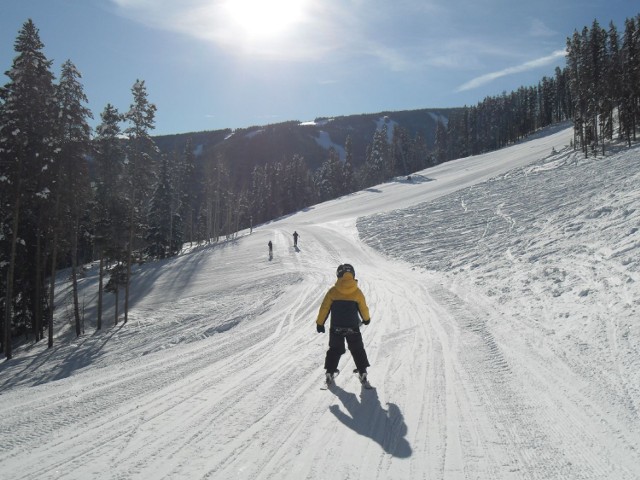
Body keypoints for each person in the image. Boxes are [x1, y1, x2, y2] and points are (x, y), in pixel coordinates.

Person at [316, 263, 371, 386]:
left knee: (335, 349)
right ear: (353, 275)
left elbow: (324, 308)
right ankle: (362, 372)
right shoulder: (357, 292)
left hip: (336, 328)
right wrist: (366, 319)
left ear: (338, 275)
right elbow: (363, 308)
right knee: (357, 349)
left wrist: (320, 323)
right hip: (352, 328)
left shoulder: (333, 292)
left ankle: (330, 372)